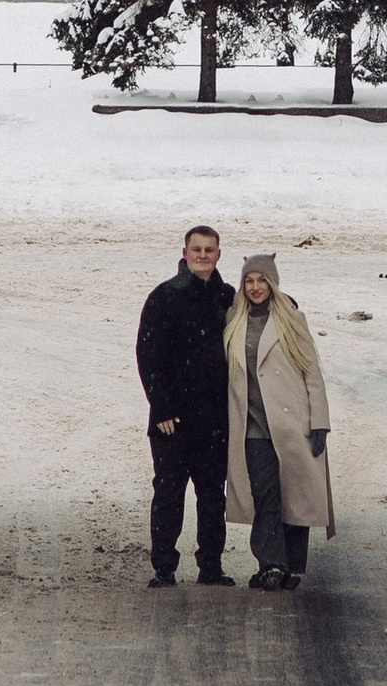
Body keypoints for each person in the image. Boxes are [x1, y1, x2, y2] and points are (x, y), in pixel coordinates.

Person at [136, 221, 236, 589]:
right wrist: (160, 408)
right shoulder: (164, 296)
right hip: (171, 420)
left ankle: (210, 566)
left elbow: (262, 313)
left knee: (212, 494)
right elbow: (148, 355)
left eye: (209, 250)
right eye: (197, 249)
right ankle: (164, 567)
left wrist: (286, 303)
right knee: (168, 492)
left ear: (219, 255)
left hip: (214, 418)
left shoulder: (228, 297)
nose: (203, 256)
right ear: (184, 253)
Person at [224, 256, 333, 592]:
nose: (256, 287)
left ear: (273, 283)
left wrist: (319, 423)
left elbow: (312, 373)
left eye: (262, 280)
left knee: (295, 497)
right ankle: (271, 563)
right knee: (265, 496)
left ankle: (289, 567)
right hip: (252, 426)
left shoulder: (292, 319)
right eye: (249, 280)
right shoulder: (234, 319)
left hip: (291, 424)